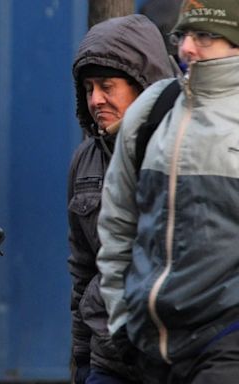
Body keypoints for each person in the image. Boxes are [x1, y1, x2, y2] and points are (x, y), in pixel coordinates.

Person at [97, 0, 239, 383]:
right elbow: (117, 224)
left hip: (225, 344)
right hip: (149, 344)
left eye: (206, 36)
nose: (188, 47)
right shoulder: (153, 109)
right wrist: (122, 319)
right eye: (184, 34)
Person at [68, 14, 173, 384]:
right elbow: (83, 270)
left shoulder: (178, 150)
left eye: (108, 87)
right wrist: (81, 360)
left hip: (173, 355)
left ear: (142, 86)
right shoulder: (86, 159)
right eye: (88, 88)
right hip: (107, 360)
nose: (96, 100)